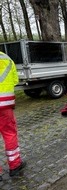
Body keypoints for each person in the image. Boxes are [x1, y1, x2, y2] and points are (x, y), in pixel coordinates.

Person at [0, 51, 26, 179]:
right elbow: (15, 80)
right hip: (5, 105)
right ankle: (15, 165)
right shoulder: (6, 58)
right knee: (9, 134)